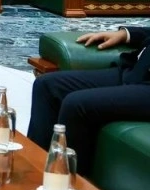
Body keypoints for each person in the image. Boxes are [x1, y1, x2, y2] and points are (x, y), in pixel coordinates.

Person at [26, 26, 150, 175]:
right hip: (137, 71)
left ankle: (67, 182)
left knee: (76, 104)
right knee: (46, 86)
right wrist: (126, 34)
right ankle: (34, 173)